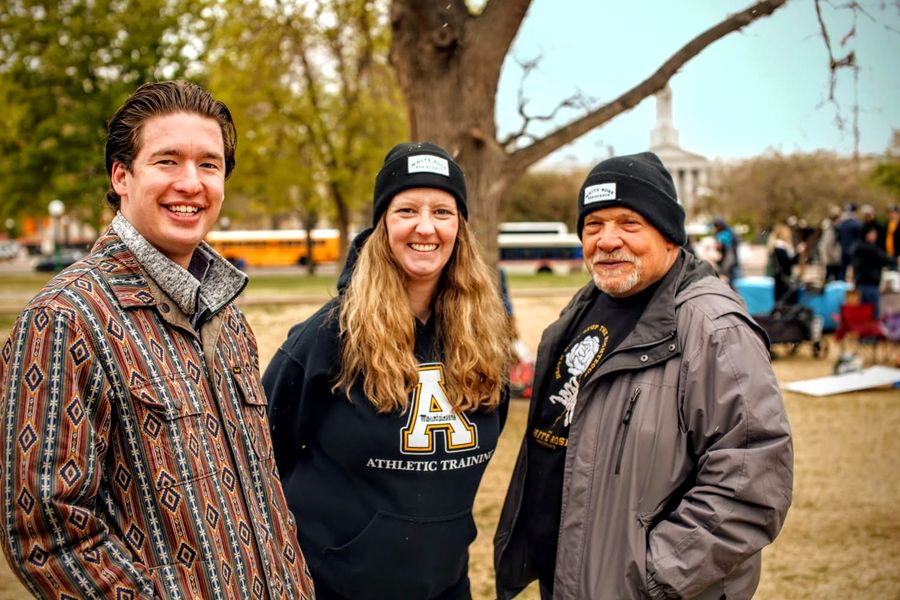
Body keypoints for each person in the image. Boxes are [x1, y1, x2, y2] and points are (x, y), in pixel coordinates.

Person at [0, 81, 315, 599]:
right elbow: (46, 535)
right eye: (167, 161)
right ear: (121, 176)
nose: (191, 183)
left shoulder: (227, 316)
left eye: (209, 165)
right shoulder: (65, 318)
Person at [494, 152, 793, 600]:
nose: (608, 240)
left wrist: (653, 577)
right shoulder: (582, 309)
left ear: (669, 234)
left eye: (629, 223)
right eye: (593, 225)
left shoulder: (712, 327)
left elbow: (752, 479)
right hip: (570, 578)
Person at [263, 142, 514, 600]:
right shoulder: (326, 336)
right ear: (382, 225)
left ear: (460, 227)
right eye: (406, 210)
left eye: (442, 211)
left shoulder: (487, 336)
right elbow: (259, 458)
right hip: (333, 587)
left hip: (446, 586)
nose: (425, 227)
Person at [851, 226, 898, 317]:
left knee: (863, 313)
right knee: (873, 314)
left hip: (861, 283)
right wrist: (895, 261)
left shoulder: (858, 248)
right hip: (870, 284)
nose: (875, 236)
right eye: (872, 233)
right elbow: (885, 259)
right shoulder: (871, 249)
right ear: (866, 235)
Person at [769, 222, 805, 305]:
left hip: (781, 279)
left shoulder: (779, 246)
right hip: (783, 280)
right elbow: (788, 262)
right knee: (787, 301)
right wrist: (798, 253)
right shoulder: (779, 247)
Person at [712, 216, 741, 287]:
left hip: (731, 261)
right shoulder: (717, 233)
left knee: (734, 281)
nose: (717, 227)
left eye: (718, 225)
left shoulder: (729, 232)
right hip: (723, 261)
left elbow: (733, 248)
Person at [836, 202, 862, 281]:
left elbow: (838, 238)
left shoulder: (841, 224)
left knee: (843, 270)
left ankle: (841, 284)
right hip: (853, 251)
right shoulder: (856, 224)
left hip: (844, 250)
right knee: (855, 270)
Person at [819, 205, 843, 282]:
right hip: (831, 260)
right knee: (831, 280)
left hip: (830, 259)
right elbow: (829, 245)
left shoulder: (831, 228)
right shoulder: (830, 229)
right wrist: (836, 258)